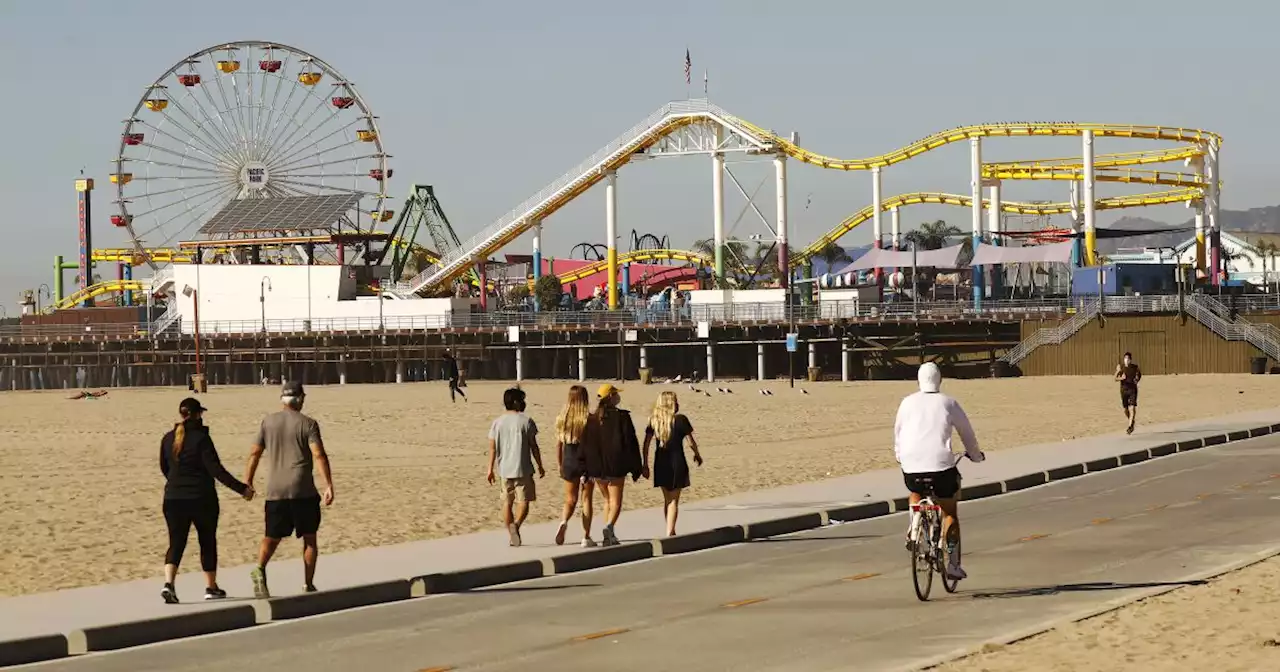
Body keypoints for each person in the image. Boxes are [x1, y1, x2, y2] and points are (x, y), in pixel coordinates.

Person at [894, 362, 984, 581]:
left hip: (911, 465)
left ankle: (915, 524)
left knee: (915, 491)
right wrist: (975, 455)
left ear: (918, 380)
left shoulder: (906, 402)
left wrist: (901, 456)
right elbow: (966, 433)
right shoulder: (948, 403)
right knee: (950, 512)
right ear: (939, 380)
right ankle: (953, 564)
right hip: (941, 467)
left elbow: (898, 433)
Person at [245, 381, 334, 598]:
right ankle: (308, 584)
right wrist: (328, 484)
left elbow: (254, 453)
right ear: (300, 399)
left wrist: (248, 481)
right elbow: (319, 455)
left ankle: (260, 568)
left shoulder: (268, 422)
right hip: (302, 489)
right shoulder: (308, 424)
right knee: (309, 538)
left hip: (275, 490)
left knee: (271, 536)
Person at [159, 397, 253, 604]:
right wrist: (242, 489)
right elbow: (216, 470)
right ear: (195, 415)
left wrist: (178, 484)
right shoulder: (201, 439)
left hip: (173, 498)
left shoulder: (167, 438)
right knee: (207, 541)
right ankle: (211, 587)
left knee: (176, 543)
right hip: (202, 498)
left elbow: (165, 469)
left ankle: (169, 584)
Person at [583, 384, 643, 546]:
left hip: (598, 466)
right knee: (615, 501)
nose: (618, 397)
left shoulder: (592, 418)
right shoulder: (622, 417)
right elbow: (631, 442)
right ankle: (609, 527)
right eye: (615, 394)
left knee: (607, 500)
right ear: (611, 397)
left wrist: (587, 467)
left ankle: (609, 535)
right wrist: (637, 466)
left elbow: (587, 444)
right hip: (616, 464)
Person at [486, 387, 545, 547]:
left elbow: (492, 447)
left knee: (507, 502)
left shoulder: (497, 423)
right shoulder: (526, 421)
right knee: (524, 501)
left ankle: (511, 534)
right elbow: (534, 446)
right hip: (523, 468)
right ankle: (516, 525)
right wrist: (540, 465)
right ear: (517, 402)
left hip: (504, 469)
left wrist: (490, 469)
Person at [642, 391, 703, 537]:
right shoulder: (680, 420)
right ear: (671, 403)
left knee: (667, 499)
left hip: (661, 461)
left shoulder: (654, 420)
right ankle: (670, 531)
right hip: (677, 460)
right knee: (674, 500)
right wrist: (697, 455)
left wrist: (645, 463)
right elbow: (691, 442)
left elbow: (646, 444)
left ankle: (670, 529)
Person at [554, 385, 597, 547]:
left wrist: (559, 464)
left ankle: (564, 521)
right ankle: (586, 536)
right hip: (587, 461)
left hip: (569, 459)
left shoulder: (562, 419)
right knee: (587, 499)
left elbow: (559, 445)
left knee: (570, 499)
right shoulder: (590, 419)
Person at [1115, 352, 1142, 434]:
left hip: (1132, 390)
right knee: (1125, 409)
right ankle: (1131, 421)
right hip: (1124, 390)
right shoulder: (1121, 367)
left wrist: (1137, 379)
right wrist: (1120, 376)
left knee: (1132, 408)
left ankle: (1130, 426)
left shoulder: (1135, 367)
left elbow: (1139, 375)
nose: (1126, 360)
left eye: (1128, 358)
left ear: (1130, 359)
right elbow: (1115, 378)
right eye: (1125, 358)